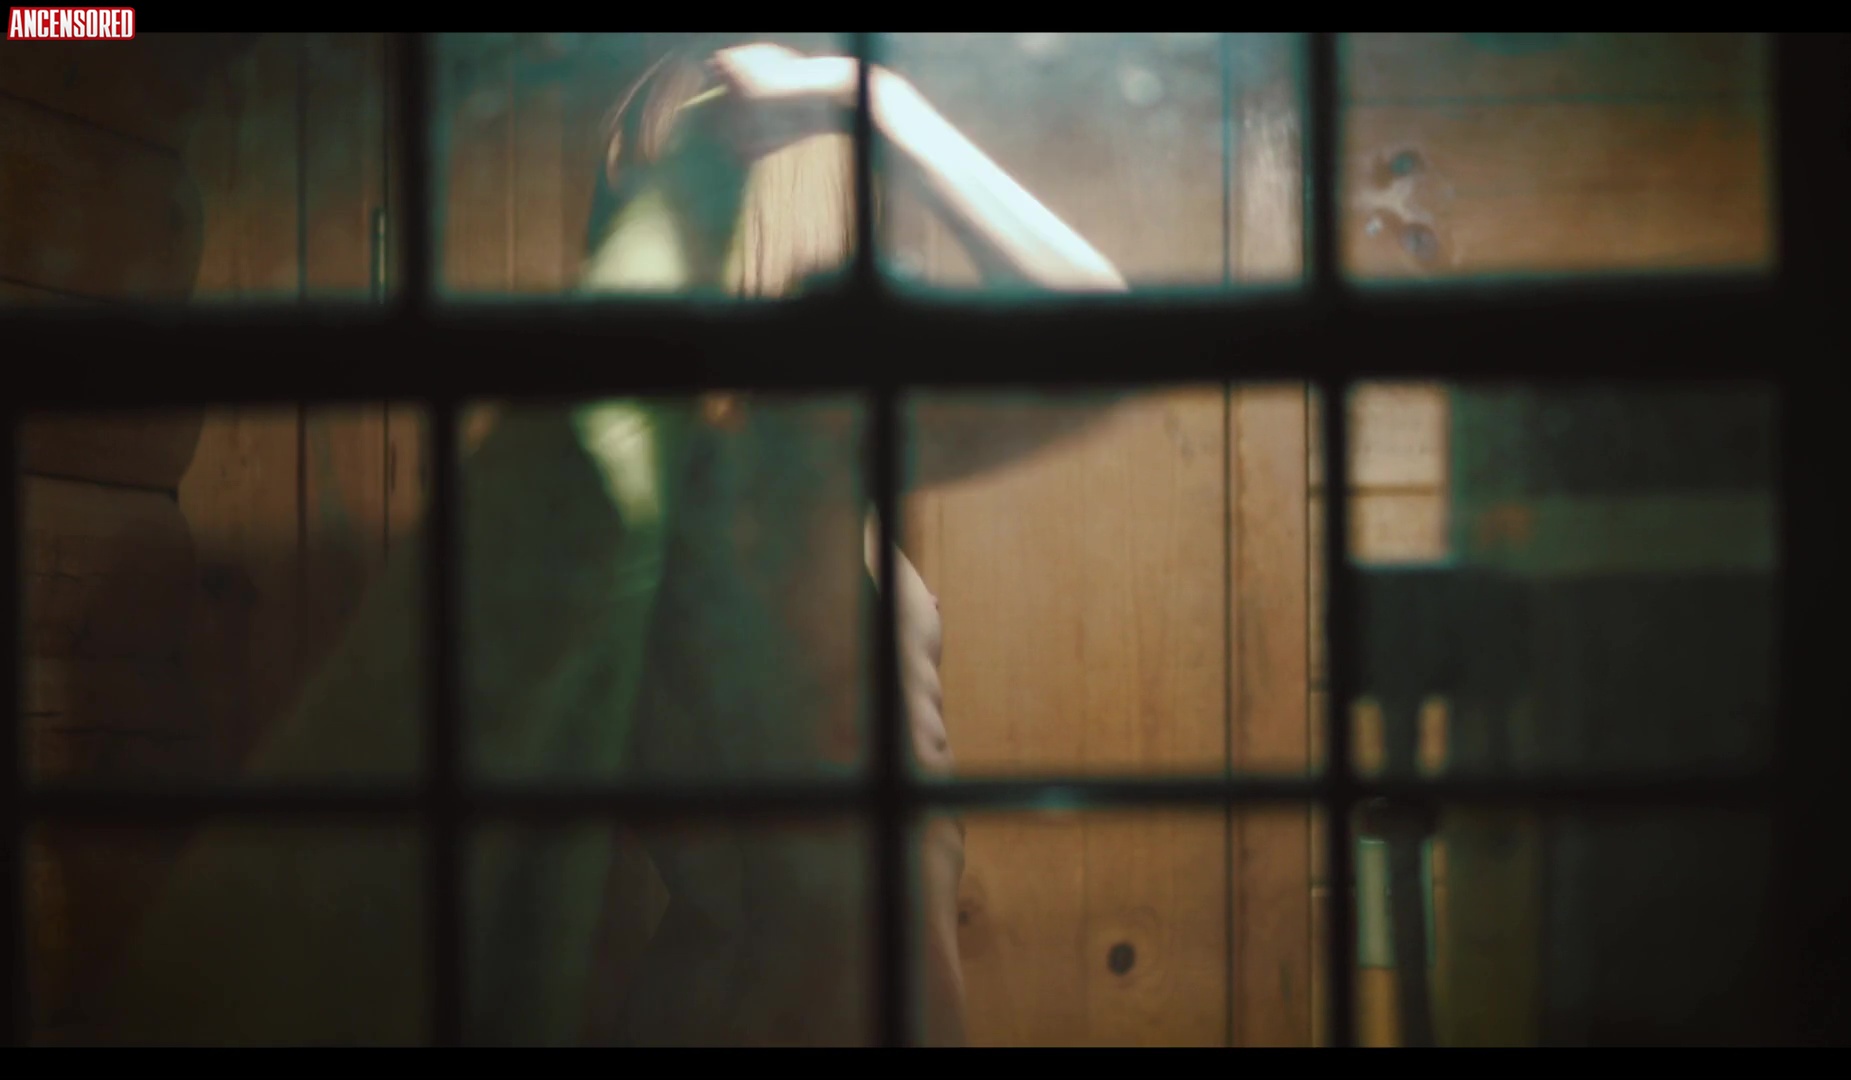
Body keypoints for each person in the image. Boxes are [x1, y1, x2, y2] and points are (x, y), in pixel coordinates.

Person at [101, 38, 1134, 1046]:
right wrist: (869, 100)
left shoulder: (719, 464)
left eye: (640, 190)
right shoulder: (762, 464)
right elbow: (1099, 337)